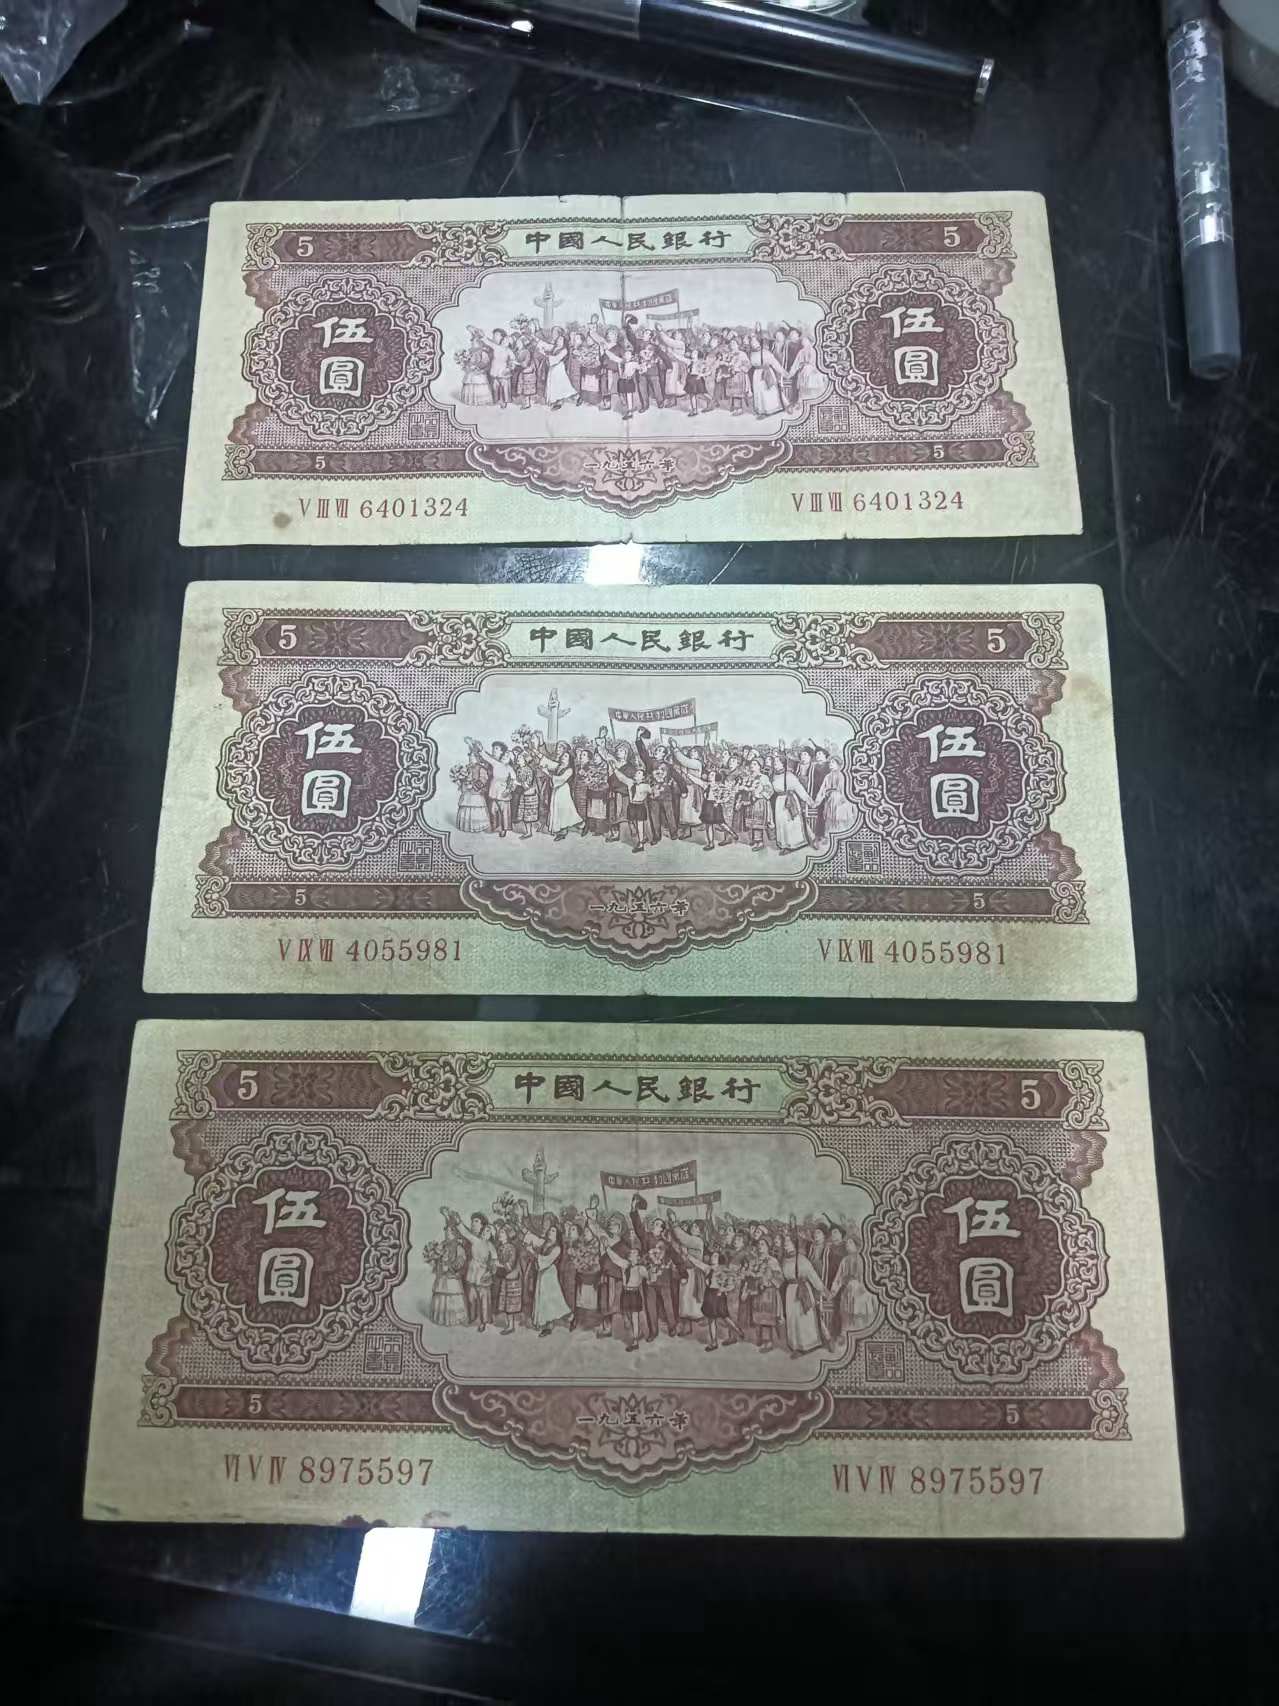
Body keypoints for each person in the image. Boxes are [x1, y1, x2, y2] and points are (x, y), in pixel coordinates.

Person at [780, 1228, 829, 1357]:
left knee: (803, 1317)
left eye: (788, 1242)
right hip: (790, 1292)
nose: (785, 1244)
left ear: (794, 1244)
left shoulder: (801, 1259)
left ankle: (807, 1345)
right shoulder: (784, 1260)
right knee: (792, 1318)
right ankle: (795, 1346)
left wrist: (823, 1290)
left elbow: (812, 1276)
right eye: (785, 1242)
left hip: (802, 1291)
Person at [683, 1246, 743, 1351]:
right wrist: (687, 1255)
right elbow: (697, 1263)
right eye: (712, 1256)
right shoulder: (707, 1268)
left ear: (719, 1258)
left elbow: (732, 1284)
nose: (712, 1258)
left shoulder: (723, 1270)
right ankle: (714, 1342)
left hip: (718, 1295)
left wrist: (723, 1290)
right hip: (709, 1295)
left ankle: (738, 1331)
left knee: (725, 1317)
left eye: (715, 1256)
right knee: (711, 1319)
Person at [524, 1215, 572, 1337]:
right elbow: (534, 1242)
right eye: (550, 1230)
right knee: (543, 1297)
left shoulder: (557, 1248)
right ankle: (544, 1321)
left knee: (549, 1299)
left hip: (550, 1274)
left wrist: (532, 1252)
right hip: (542, 1274)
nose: (550, 1232)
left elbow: (545, 1260)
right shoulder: (545, 1243)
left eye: (553, 1231)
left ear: (557, 1235)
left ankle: (549, 1325)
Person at [450, 1209, 497, 1333]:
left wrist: (490, 1272)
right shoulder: (475, 1240)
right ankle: (472, 1317)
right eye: (485, 1230)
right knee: (471, 1297)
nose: (485, 1233)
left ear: (491, 1235)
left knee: (484, 1299)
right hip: (472, 1272)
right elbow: (464, 1232)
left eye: (488, 1231)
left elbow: (494, 1262)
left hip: (483, 1273)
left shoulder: (491, 1246)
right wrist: (458, 1221)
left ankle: (483, 1322)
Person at [740, 1232, 783, 1352]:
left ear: (768, 1247)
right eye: (759, 1244)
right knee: (757, 1316)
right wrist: (746, 1288)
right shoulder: (754, 1261)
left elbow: (779, 1278)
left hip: (768, 1293)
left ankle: (768, 1342)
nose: (760, 1246)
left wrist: (768, 1282)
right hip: (756, 1292)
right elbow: (748, 1277)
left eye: (763, 1244)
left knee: (766, 1317)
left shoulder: (772, 1261)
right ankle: (759, 1338)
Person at [603, 1236, 648, 1351]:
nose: (631, 1254)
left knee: (634, 1317)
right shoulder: (625, 1264)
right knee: (627, 1315)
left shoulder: (641, 1269)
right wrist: (607, 1247)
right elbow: (615, 1258)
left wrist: (653, 1271)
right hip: (625, 1293)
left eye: (634, 1253)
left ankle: (635, 1341)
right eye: (630, 1253)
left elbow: (650, 1278)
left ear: (638, 1257)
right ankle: (636, 1332)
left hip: (634, 1294)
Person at [426, 1214, 469, 1328]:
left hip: (452, 1276)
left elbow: (461, 1261)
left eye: (449, 1231)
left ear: (454, 1233)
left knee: (453, 1296)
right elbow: (436, 1255)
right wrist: (434, 1258)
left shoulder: (458, 1247)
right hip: (442, 1276)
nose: (446, 1233)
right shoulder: (442, 1244)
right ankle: (441, 1318)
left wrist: (450, 1267)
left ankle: (454, 1319)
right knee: (441, 1295)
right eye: (446, 1231)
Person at [540, 740, 586, 841]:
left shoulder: (569, 770)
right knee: (559, 810)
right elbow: (548, 763)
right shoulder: (559, 766)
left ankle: (578, 826)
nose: (563, 758)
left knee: (565, 811)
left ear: (569, 759)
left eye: (566, 756)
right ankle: (563, 830)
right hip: (557, 791)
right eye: (563, 756)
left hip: (563, 791)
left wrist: (547, 773)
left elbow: (560, 779)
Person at [770, 757, 816, 852]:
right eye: (774, 761)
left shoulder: (789, 776)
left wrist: (809, 801)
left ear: (783, 764)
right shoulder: (773, 776)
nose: (775, 763)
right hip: (779, 801)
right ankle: (784, 844)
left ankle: (793, 845)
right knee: (781, 823)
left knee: (790, 822)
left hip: (790, 801)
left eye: (778, 761)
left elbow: (799, 789)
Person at [470, 738, 516, 836]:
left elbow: (513, 781)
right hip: (494, 790)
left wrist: (508, 790)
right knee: (492, 810)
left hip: (503, 792)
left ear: (510, 759)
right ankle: (495, 826)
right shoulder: (496, 764)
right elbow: (486, 757)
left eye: (507, 756)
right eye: (504, 756)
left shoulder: (510, 769)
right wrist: (480, 749)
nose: (505, 757)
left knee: (505, 812)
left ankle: (504, 829)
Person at [609, 757, 654, 853]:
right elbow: (621, 777)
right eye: (636, 773)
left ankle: (641, 844)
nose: (636, 774)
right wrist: (614, 768)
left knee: (640, 825)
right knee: (632, 822)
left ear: (643, 777)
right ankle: (641, 837)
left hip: (640, 806)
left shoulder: (645, 786)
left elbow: (653, 793)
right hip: (631, 806)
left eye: (639, 773)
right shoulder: (630, 783)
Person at [735, 760, 775, 852]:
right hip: (749, 802)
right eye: (751, 764)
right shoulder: (748, 777)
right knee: (751, 822)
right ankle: (753, 840)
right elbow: (744, 789)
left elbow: (769, 790)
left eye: (755, 764)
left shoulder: (763, 777)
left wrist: (759, 795)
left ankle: (759, 842)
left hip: (759, 802)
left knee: (757, 822)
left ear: (759, 766)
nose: (752, 766)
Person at [493, 1223, 523, 1334]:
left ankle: (511, 1326)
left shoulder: (511, 1248)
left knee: (510, 1304)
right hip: (505, 1278)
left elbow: (510, 1266)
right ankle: (509, 1325)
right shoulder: (500, 1247)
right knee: (506, 1302)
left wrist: (498, 1264)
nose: (499, 1234)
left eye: (502, 1232)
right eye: (499, 1232)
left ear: (507, 1235)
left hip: (512, 1279)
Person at [749, 332, 786, 418]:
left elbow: (775, 363)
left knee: (766, 391)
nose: (753, 343)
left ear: (759, 342)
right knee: (758, 391)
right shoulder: (752, 353)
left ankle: (770, 410)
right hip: (756, 374)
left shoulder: (766, 352)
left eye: (755, 341)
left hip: (766, 373)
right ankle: (761, 410)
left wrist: (784, 373)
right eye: (752, 341)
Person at [538, 329, 575, 410]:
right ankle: (553, 400)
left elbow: (556, 359)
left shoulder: (564, 350)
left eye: (561, 340)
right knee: (553, 384)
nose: (559, 341)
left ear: (564, 341)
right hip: (553, 369)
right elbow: (546, 346)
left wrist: (545, 355)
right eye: (558, 339)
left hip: (559, 369)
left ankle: (558, 401)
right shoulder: (555, 347)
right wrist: (542, 348)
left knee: (559, 385)